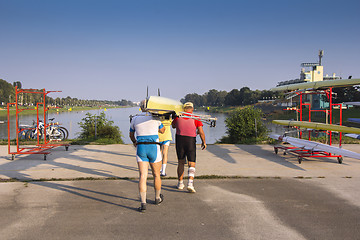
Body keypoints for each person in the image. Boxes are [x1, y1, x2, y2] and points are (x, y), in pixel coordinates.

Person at [129, 100, 165, 212]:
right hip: (153, 147)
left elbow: (131, 134)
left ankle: (143, 203)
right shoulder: (155, 118)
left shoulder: (135, 118)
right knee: (156, 175)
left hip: (141, 147)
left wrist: (135, 142)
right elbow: (163, 130)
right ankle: (157, 198)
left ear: (141, 107)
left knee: (143, 176)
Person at [172, 102, 206, 193]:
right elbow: (201, 131)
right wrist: (204, 142)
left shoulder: (178, 117)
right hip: (190, 141)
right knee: (192, 163)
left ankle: (180, 183)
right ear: (192, 109)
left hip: (180, 140)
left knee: (181, 162)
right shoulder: (196, 118)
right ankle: (190, 184)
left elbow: (173, 126)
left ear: (184, 109)